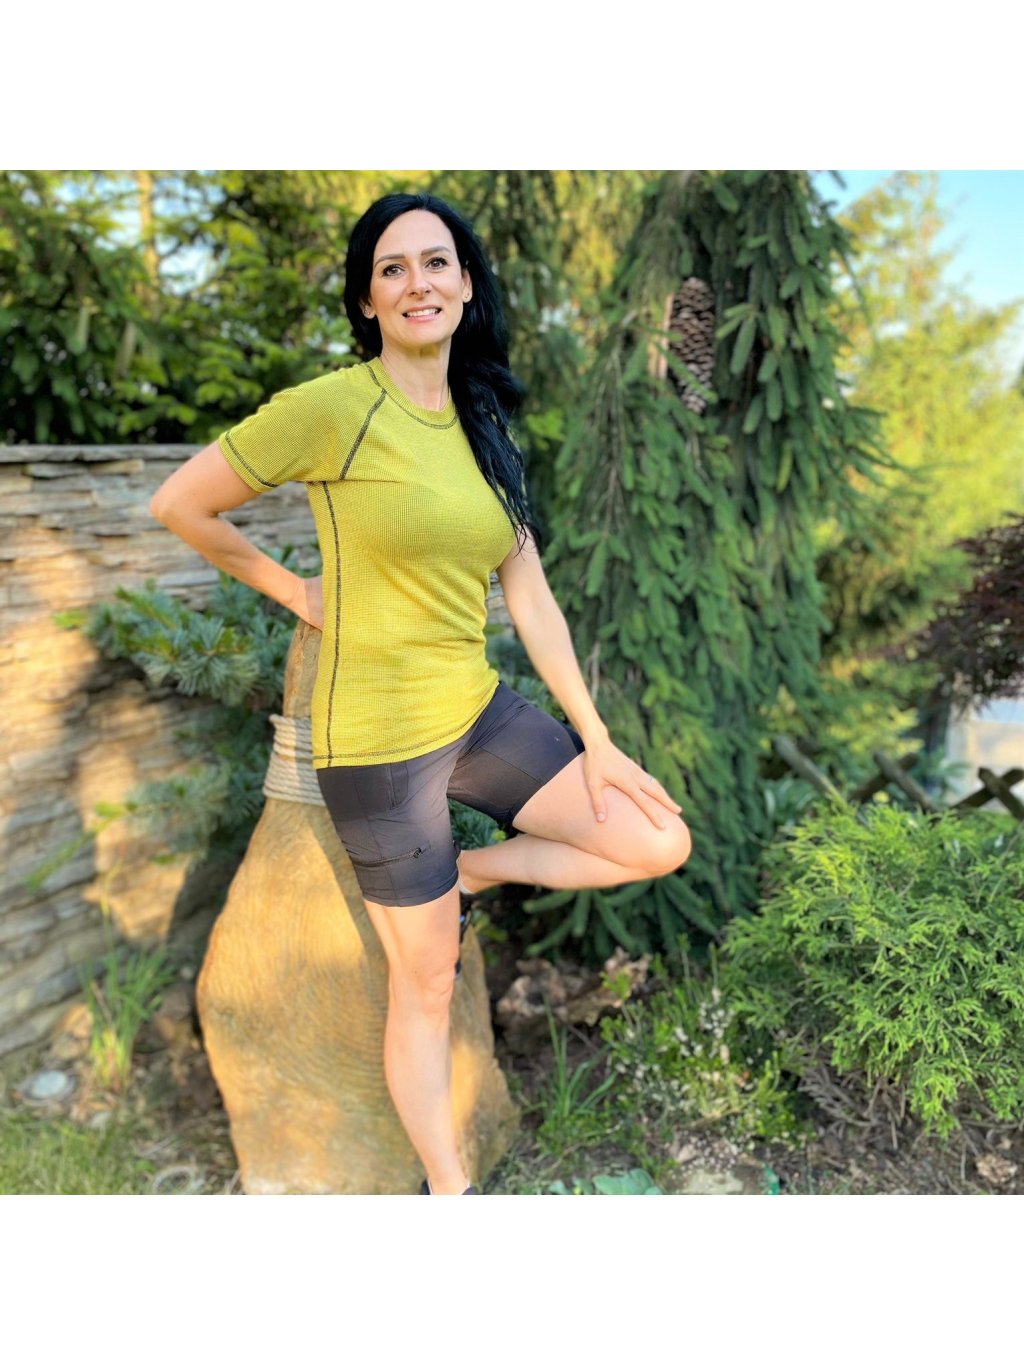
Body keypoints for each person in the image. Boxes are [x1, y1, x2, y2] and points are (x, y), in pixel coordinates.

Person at [148, 191, 692, 1195]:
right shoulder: (332, 408)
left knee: (655, 838)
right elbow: (181, 502)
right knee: (427, 981)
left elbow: (529, 592)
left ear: (466, 284)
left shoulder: (482, 420)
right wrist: (296, 591)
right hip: (376, 746)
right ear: (367, 301)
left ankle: (470, 874)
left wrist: (598, 738)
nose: (417, 283)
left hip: (476, 712)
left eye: (435, 262)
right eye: (391, 269)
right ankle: (451, 1192)